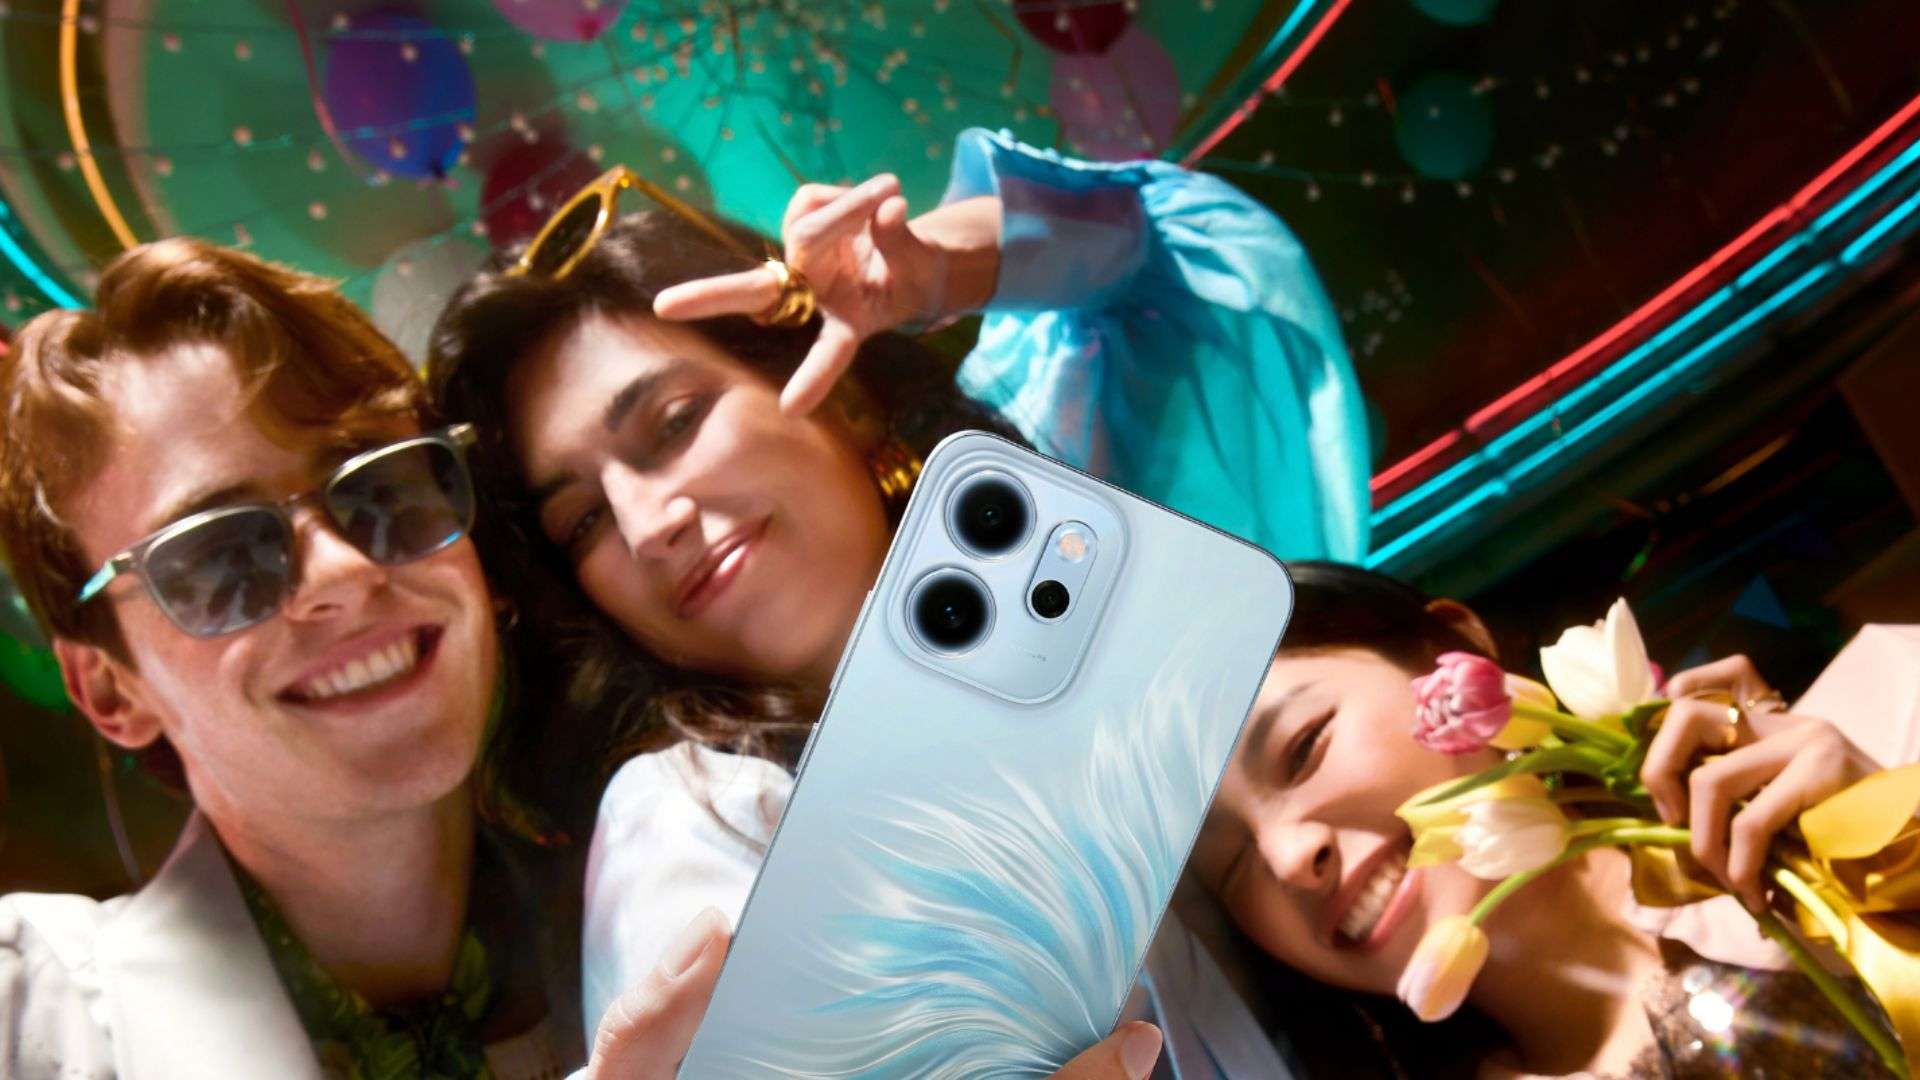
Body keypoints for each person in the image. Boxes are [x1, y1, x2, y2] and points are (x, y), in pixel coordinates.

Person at [0, 237, 1152, 1080]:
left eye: (388, 490)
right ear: (109, 688)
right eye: (219, 555)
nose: (343, 569)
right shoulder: (27, 1010)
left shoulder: (681, 899)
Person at [429, 128, 1363, 1073]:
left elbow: (1194, 252)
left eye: (673, 423)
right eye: (584, 521)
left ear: (844, 397)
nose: (644, 526)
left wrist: (933, 273)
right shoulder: (686, 818)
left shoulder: (1087, 546)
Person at [1186, 561, 1900, 1078]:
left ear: (1453, 653)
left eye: (1303, 747)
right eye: (1231, 868)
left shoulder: (1887, 719)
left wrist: (1891, 837)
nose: (1287, 857)